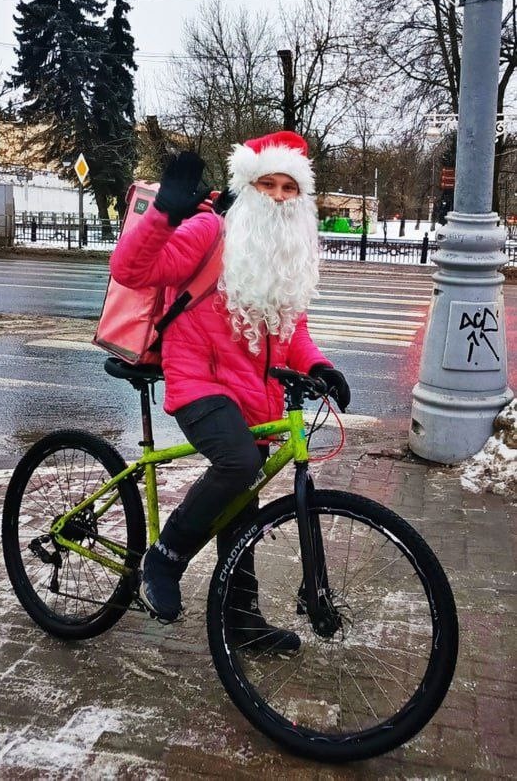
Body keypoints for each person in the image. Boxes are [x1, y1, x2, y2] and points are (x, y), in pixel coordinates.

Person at [109, 131, 350, 650]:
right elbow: (131, 269)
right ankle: (166, 556)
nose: (280, 197)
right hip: (198, 380)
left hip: (255, 394)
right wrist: (164, 215)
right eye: (269, 184)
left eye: (290, 187)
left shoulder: (289, 254)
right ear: (249, 184)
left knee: (241, 503)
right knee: (238, 464)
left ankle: (240, 619)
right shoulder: (209, 230)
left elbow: (294, 330)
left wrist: (320, 366)